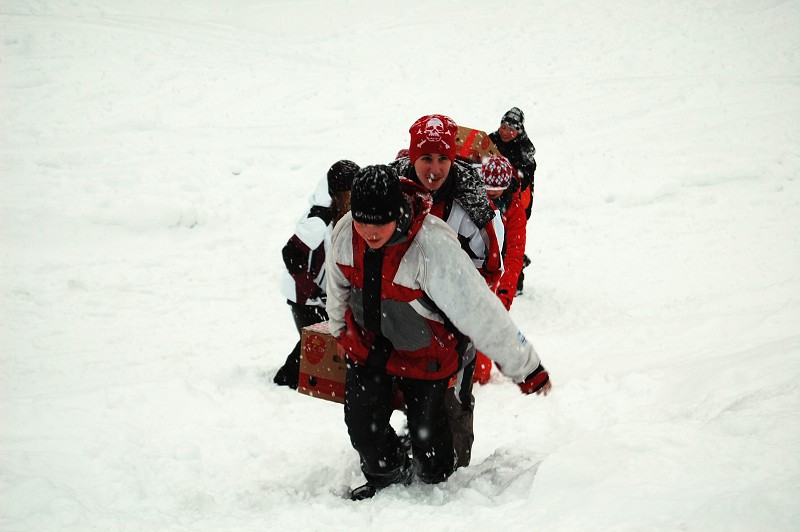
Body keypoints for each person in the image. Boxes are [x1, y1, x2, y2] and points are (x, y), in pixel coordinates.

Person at [325, 165, 552, 500]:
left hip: (427, 355)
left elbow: (480, 310)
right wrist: (339, 330)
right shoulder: (346, 232)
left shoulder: (431, 244)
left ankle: (437, 485)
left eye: (380, 222)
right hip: (370, 348)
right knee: (363, 429)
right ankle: (389, 477)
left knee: (432, 448)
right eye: (362, 222)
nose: (369, 232)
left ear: (397, 213)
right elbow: (337, 287)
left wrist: (526, 366)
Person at [389, 114, 505, 468]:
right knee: (406, 388)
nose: (435, 169)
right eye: (426, 158)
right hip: (403, 315)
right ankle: (414, 446)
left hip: (455, 321)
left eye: (443, 158)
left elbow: (490, 267)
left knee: (453, 396)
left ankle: (454, 467)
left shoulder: (473, 208)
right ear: (413, 157)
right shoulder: (393, 189)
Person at [273, 160, 359, 389]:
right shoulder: (319, 220)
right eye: (351, 193)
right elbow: (291, 254)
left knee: (320, 336)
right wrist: (312, 291)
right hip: (303, 297)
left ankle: (301, 378)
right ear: (339, 194)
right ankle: (287, 380)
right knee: (316, 338)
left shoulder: (343, 213)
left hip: (321, 294)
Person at [473, 155, 528, 384]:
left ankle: (478, 376)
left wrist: (505, 293)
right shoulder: (471, 197)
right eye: (488, 187)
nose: (493, 191)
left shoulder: (514, 208)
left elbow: (514, 254)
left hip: (496, 274)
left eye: (498, 187)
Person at [488, 107, 536, 294]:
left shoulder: (525, 151)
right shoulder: (491, 140)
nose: (505, 132)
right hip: (495, 195)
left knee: (511, 242)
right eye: (503, 127)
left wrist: (503, 169)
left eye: (511, 129)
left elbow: (522, 181)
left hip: (517, 202)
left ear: (519, 131)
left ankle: (516, 281)